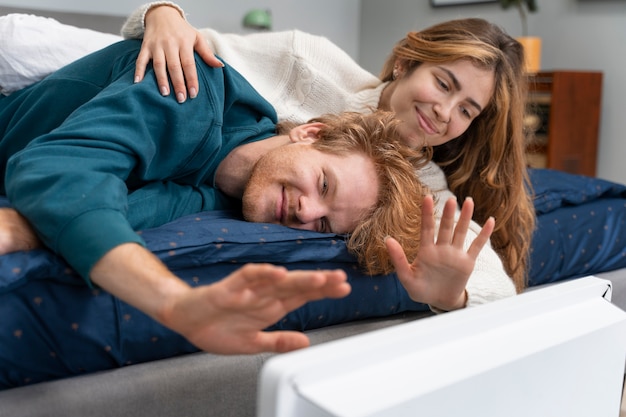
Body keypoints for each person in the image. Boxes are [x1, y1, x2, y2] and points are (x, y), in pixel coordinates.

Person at [121, 4, 536, 293]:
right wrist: (162, 13)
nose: (445, 112)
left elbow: (493, 284)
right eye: (444, 84)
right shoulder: (307, 63)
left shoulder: (424, 187)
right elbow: (185, 47)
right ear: (406, 62)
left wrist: (452, 296)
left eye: (467, 110)